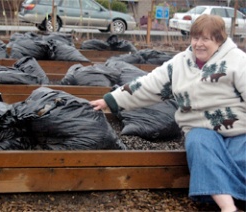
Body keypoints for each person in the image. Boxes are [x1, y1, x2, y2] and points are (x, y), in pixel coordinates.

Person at [90, 14, 246, 212]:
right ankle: (228, 207)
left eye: (205, 39)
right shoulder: (180, 64)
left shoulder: (237, 61)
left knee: (241, 155)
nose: (199, 44)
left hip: (238, 127)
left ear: (219, 39)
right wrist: (110, 100)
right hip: (200, 128)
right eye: (195, 38)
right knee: (199, 145)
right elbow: (148, 85)